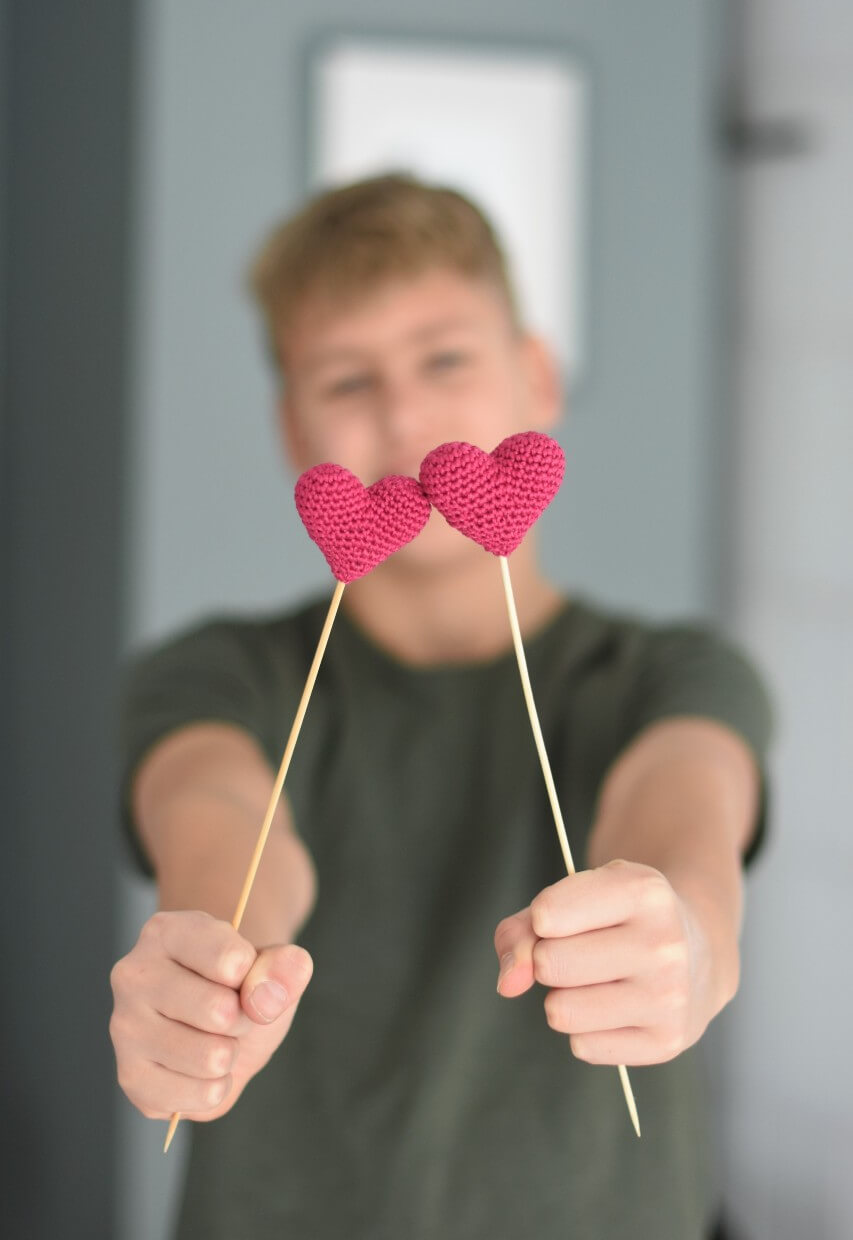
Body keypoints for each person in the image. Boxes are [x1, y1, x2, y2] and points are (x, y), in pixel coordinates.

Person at [110, 173, 772, 1240]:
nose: (406, 417)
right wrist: (210, 963)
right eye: (346, 379)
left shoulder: (671, 675)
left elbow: (683, 810)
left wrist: (687, 933)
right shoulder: (219, 674)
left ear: (538, 377)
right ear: (292, 431)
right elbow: (222, 818)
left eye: (446, 358)